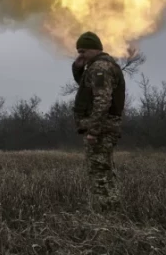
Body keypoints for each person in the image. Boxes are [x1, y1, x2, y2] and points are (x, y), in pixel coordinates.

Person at [71, 31, 126, 211]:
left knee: (99, 171)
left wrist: (94, 131)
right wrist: (78, 69)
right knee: (105, 170)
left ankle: (108, 214)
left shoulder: (100, 68)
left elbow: (102, 101)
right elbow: (87, 88)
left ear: (94, 50)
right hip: (106, 127)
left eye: (83, 51)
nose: (80, 55)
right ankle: (114, 209)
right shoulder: (100, 66)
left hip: (102, 129)